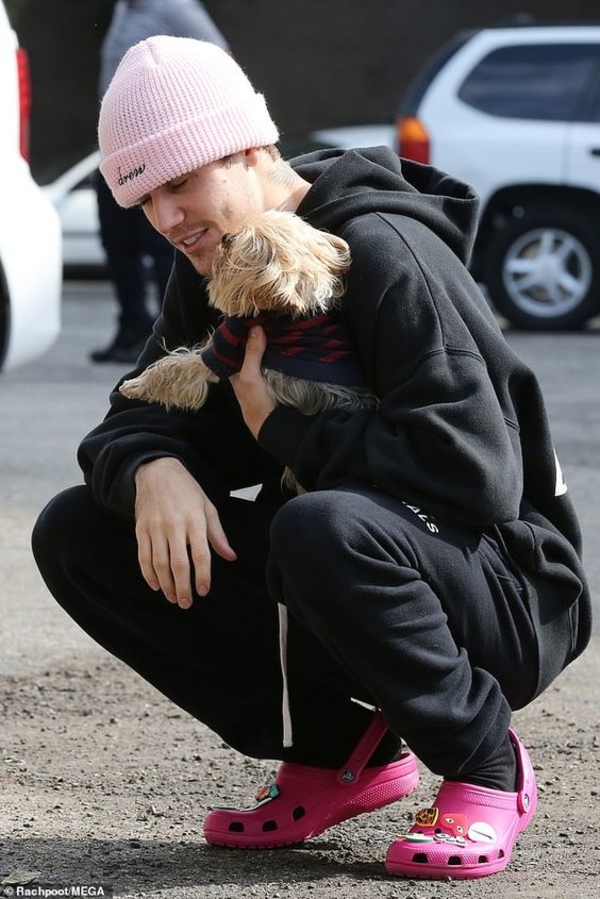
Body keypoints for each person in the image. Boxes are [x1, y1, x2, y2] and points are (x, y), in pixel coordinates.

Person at [32, 36, 592, 881]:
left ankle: (484, 761)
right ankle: (339, 753)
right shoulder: (215, 262)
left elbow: (478, 471)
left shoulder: (385, 249)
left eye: (181, 183)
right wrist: (155, 468)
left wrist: (285, 431)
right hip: (361, 554)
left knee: (321, 525)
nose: (167, 218)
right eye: (142, 198)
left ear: (249, 147)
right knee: (78, 529)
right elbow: (134, 414)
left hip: (509, 587)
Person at [91, 0, 229, 363]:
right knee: (117, 243)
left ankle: (174, 337)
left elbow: (217, 60)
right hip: (117, 152)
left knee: (163, 241)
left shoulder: (175, 7)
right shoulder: (124, 9)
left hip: (155, 153)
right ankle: (132, 327)